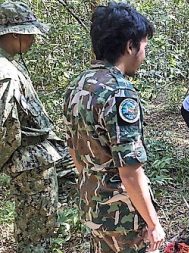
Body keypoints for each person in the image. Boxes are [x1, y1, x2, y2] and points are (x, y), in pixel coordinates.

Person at [63, 2, 165, 252]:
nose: (144, 54)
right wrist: (153, 224)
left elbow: (74, 153)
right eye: (144, 47)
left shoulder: (78, 85)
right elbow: (129, 172)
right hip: (122, 215)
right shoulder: (120, 93)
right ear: (130, 46)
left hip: (91, 203)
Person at [0, 2, 63, 251]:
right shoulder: (4, 71)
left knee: (40, 226)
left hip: (35, 159)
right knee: (36, 233)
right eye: (29, 33)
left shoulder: (8, 64)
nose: (33, 39)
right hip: (30, 165)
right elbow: (5, 128)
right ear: (14, 34)